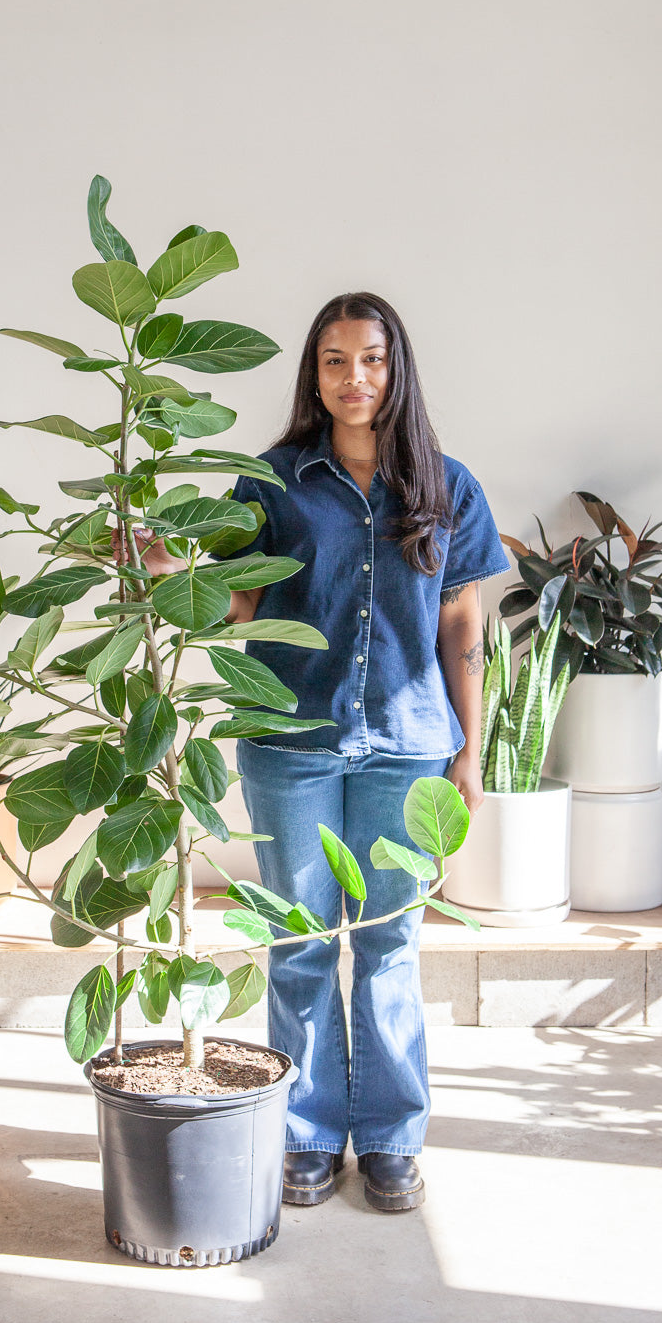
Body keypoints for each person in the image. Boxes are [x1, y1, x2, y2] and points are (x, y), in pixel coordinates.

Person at [130, 291, 509, 1212]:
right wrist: (175, 572)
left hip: (409, 747)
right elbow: (247, 603)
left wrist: (471, 748)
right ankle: (301, 1134)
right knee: (298, 942)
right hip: (291, 739)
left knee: (388, 945)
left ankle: (388, 1138)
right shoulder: (271, 480)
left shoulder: (447, 484)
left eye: (372, 359)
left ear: (397, 367)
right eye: (335, 361)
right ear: (314, 374)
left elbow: (462, 618)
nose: (355, 379)